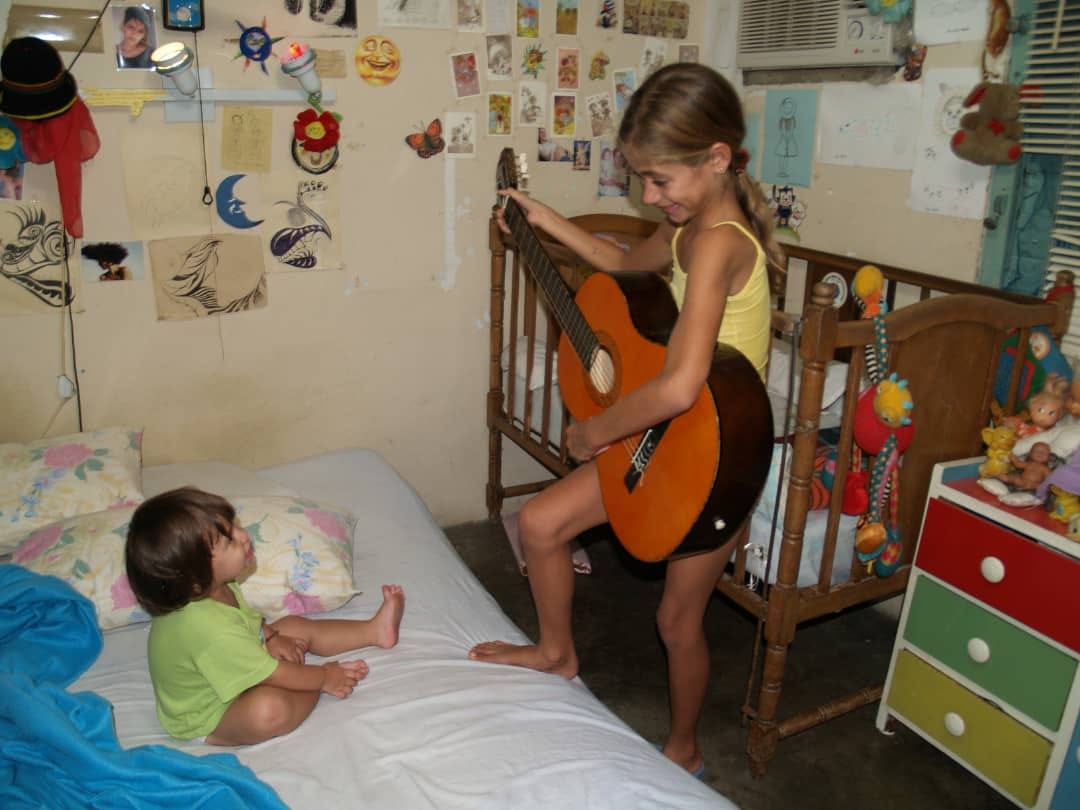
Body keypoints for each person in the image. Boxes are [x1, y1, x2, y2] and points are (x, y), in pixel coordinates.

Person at [470, 62, 785, 779]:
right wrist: (545, 221)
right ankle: (557, 652)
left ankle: (684, 749)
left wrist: (595, 433)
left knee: (677, 621)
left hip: (715, 461)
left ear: (716, 159)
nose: (649, 196)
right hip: (663, 439)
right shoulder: (688, 228)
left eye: (659, 180)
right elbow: (618, 262)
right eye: (641, 179)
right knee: (543, 524)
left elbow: (678, 387)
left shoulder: (719, 242)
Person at [125, 486, 406, 745]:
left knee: (293, 625)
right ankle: (303, 692)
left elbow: (246, 619)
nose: (244, 536)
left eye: (234, 526)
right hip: (212, 712)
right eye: (229, 542)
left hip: (236, 659)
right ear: (195, 578)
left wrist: (269, 637)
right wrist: (322, 677)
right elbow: (271, 674)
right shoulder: (209, 630)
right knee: (269, 711)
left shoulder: (219, 585)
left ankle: (374, 631)